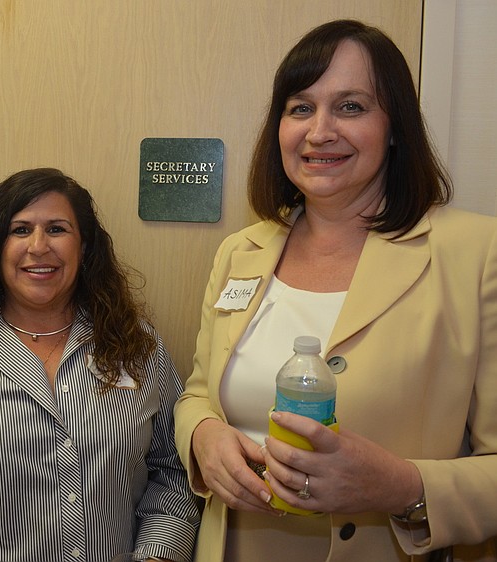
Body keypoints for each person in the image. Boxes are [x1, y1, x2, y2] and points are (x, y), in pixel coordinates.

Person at [174, 19, 497, 562]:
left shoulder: (477, 254)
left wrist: (399, 486)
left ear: (396, 128)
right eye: (301, 107)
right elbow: (198, 393)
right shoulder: (241, 251)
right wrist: (202, 435)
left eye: (351, 107)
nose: (319, 131)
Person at [0, 168, 201, 562]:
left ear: (84, 248)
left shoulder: (136, 347)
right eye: (19, 230)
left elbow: (172, 470)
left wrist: (157, 554)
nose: (38, 246)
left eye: (57, 229)